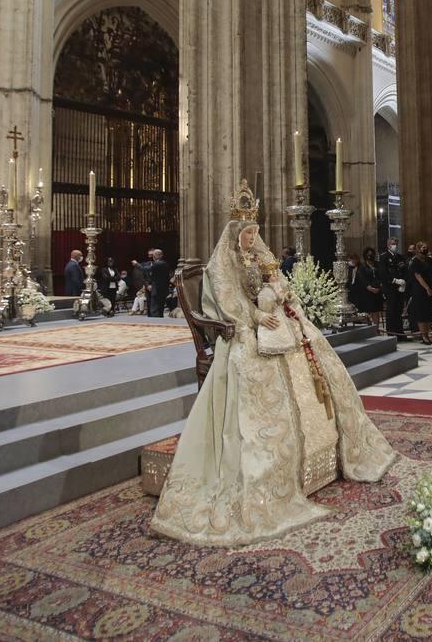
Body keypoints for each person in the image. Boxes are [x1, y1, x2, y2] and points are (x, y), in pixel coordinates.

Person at [151, 180, 396, 546]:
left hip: (271, 323)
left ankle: (329, 448)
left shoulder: (259, 257)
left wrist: (281, 297)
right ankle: (272, 469)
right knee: (253, 365)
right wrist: (254, 317)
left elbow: (277, 281)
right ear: (236, 234)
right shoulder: (222, 265)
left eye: (255, 233)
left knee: (311, 343)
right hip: (242, 332)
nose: (252, 238)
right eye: (248, 233)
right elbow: (229, 303)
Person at [379, 237, 408, 337]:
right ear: (388, 245)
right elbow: (383, 273)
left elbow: (404, 270)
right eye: (392, 244)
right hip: (390, 287)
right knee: (391, 311)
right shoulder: (384, 257)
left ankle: (400, 333)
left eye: (396, 243)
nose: (394, 245)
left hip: (400, 288)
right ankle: (391, 333)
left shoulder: (400, 257)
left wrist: (403, 282)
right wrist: (395, 281)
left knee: (399, 310)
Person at [408, 242, 432, 344]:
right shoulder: (415, 261)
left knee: (429, 312)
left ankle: (427, 333)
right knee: (421, 313)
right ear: (418, 249)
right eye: (424, 247)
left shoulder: (429, 260)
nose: (426, 249)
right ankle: (423, 335)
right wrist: (427, 288)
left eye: (427, 247)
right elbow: (418, 276)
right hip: (420, 289)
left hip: (430, 288)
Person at [351, 248, 384, 327]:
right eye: (368, 254)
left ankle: (376, 329)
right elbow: (363, 279)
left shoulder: (377, 265)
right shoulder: (362, 266)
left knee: (376, 311)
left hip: (377, 291)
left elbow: (381, 276)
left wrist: (379, 288)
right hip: (367, 292)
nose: (370, 256)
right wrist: (370, 288)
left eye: (371, 254)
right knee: (368, 311)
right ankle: (369, 328)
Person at [147, 248, 171, 318]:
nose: (152, 257)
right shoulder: (163, 263)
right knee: (159, 308)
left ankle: (156, 323)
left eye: (153, 255)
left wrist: (137, 264)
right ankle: (160, 321)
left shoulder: (159, 263)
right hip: (160, 289)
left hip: (157, 289)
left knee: (154, 309)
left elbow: (146, 269)